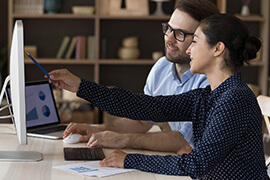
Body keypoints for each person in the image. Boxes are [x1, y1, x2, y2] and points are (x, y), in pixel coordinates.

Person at [48, 14, 268, 179]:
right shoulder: (208, 96)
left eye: (195, 41)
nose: (189, 50)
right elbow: (147, 107)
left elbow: (196, 164)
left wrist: (129, 159)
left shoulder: (235, 99)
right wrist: (80, 87)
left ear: (217, 49)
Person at [63, 0, 219, 154]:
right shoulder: (162, 67)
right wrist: (98, 129)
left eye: (180, 34)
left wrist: (124, 140)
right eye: (168, 29)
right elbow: (143, 118)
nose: (168, 39)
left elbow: (185, 141)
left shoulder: (211, 81)